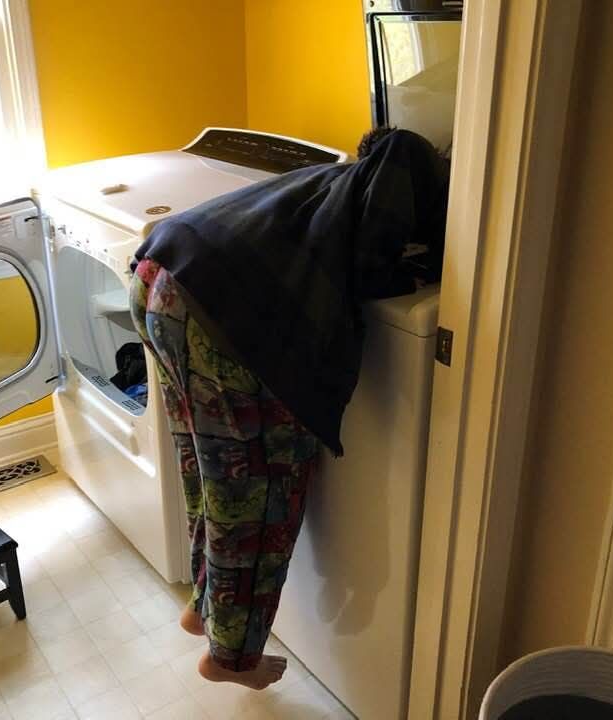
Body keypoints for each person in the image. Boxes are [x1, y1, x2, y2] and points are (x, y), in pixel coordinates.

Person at [129, 127, 449, 690]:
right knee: (253, 498)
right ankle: (229, 659)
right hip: (212, 320)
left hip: (158, 275)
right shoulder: (371, 217)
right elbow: (376, 270)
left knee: (206, 474)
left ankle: (203, 608)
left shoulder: (330, 184)